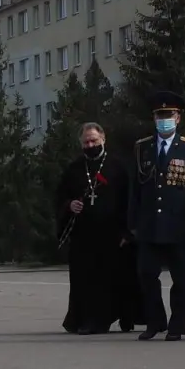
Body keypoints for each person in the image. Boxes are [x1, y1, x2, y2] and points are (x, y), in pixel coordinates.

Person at [128, 90, 185, 341]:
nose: (164, 119)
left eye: (168, 115)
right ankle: (154, 321)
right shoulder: (142, 148)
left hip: (178, 224)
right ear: (153, 118)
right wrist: (132, 222)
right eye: (159, 115)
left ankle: (176, 324)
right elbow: (135, 189)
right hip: (149, 224)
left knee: (180, 279)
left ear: (178, 117)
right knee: (147, 275)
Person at [56, 122, 138, 334]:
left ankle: (120, 317)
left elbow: (130, 201)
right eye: (86, 142)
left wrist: (128, 231)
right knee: (86, 280)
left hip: (113, 235)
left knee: (116, 279)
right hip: (84, 235)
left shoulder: (118, 167)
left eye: (94, 140)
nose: (90, 144)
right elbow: (59, 197)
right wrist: (69, 205)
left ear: (103, 140)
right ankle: (86, 319)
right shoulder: (74, 168)